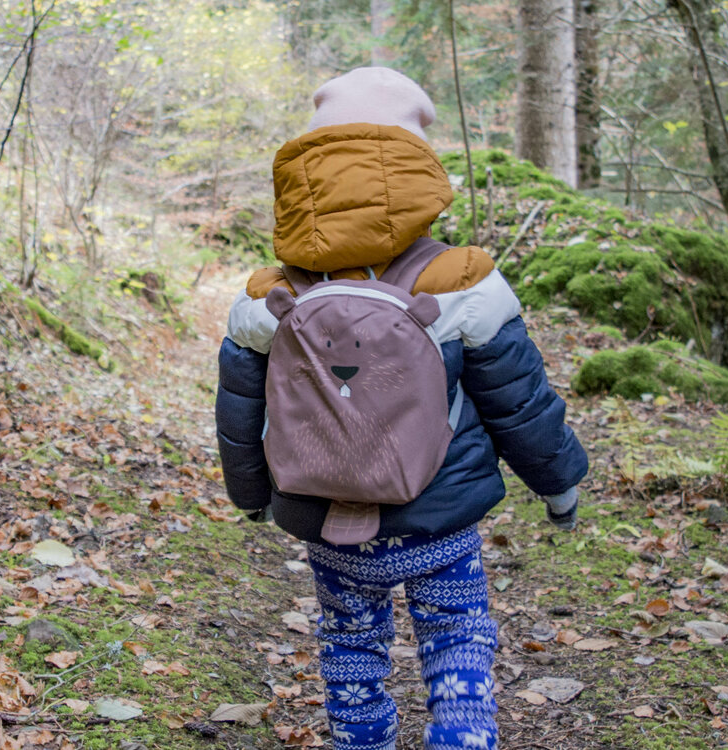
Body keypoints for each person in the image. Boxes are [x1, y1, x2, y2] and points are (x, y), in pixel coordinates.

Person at [214, 67, 588, 750]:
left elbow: (240, 409)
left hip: (326, 515)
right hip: (438, 517)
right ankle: (461, 737)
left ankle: (360, 741)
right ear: (418, 171)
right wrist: (557, 484)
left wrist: (249, 495)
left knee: (350, 645)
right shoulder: (462, 279)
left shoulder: (266, 295)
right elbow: (520, 404)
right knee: (456, 637)